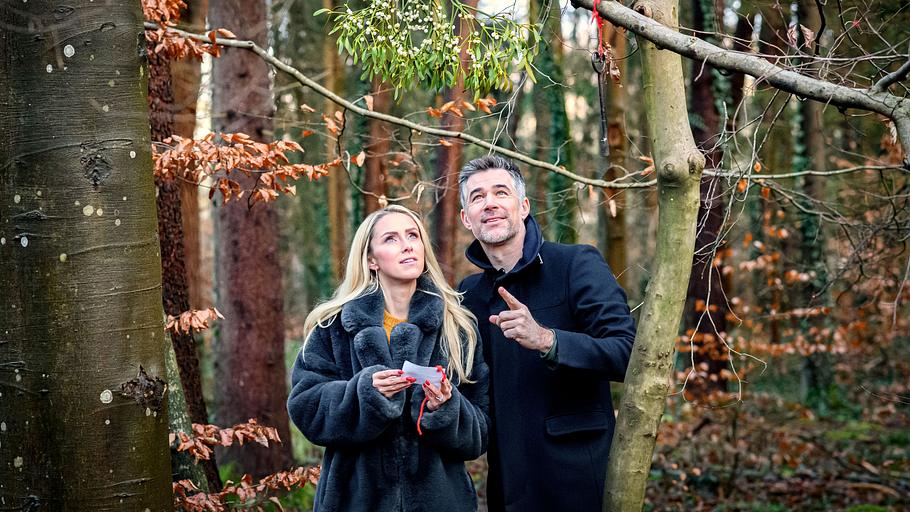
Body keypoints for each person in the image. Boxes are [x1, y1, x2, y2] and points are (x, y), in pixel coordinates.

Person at [457, 155, 637, 512]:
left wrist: (549, 340)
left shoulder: (574, 265)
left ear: (523, 206)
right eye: (477, 197)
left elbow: (628, 354)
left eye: (500, 192)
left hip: (578, 479)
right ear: (466, 219)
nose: (489, 203)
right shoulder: (469, 293)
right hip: (507, 485)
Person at [287, 205, 489, 512]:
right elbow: (306, 406)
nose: (407, 244)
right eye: (391, 238)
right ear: (371, 259)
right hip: (354, 501)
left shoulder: (457, 327)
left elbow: (480, 434)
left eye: (413, 235)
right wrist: (364, 393)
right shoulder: (333, 325)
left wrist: (446, 407)